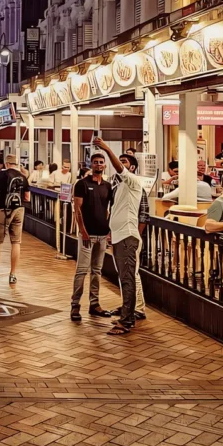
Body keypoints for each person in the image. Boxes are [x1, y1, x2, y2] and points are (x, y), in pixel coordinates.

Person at [92, 138, 145, 335]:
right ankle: (127, 314)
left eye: (125, 162)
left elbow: (120, 167)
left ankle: (127, 320)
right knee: (124, 279)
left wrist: (106, 149)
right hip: (118, 236)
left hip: (128, 237)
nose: (121, 164)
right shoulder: (119, 186)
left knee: (128, 278)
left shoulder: (132, 181)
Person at [70, 151, 115, 321]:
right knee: (81, 271)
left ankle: (94, 304)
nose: (98, 165)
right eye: (95, 162)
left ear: (104, 165)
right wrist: (83, 231)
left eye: (101, 162)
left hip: (102, 234)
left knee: (97, 271)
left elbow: (110, 208)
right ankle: (75, 306)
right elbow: (77, 209)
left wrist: (110, 230)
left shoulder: (107, 186)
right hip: (87, 236)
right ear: (91, 164)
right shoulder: (81, 184)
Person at [0, 154, 29, 285]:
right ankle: (13, 275)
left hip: (4, 209)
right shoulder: (23, 177)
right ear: (17, 163)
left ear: (7, 163)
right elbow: (27, 198)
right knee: (16, 242)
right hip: (19, 210)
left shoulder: (2, 175)